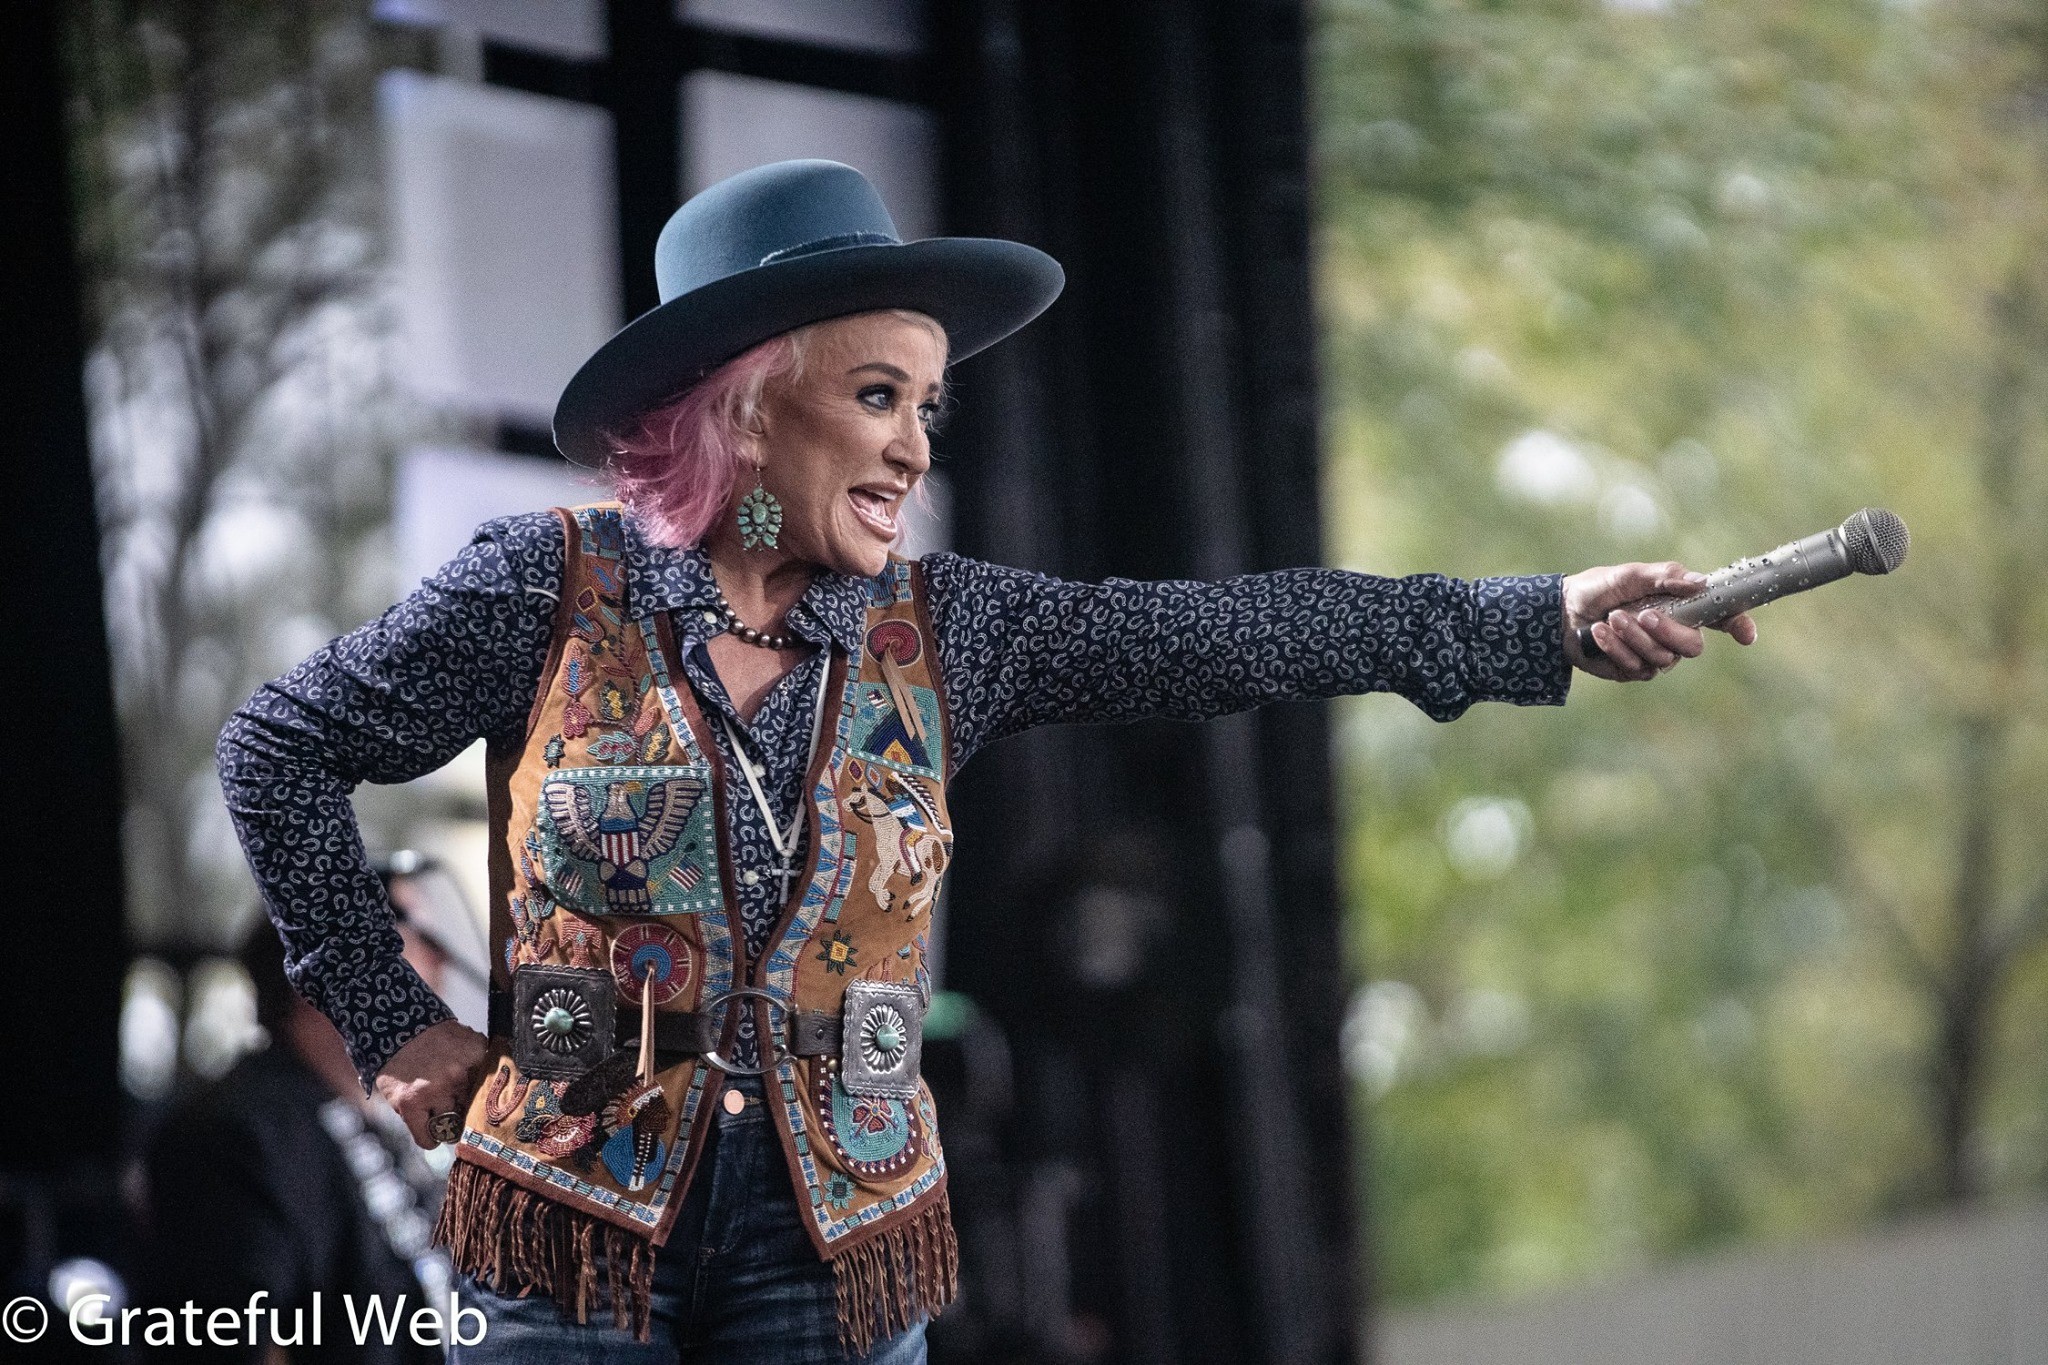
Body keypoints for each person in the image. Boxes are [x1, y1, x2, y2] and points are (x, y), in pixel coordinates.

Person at [216, 159, 1754, 1364]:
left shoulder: (952, 630)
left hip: (838, 1239)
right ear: (747, 407)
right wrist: (391, 1020)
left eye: (928, 405)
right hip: (570, 1222)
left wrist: (1534, 618)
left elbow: (1241, 632)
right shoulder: (543, 588)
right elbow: (278, 747)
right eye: (877, 395)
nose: (915, 447)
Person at [133, 855, 481, 1363]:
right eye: (415, 934)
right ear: (322, 968)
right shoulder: (234, 1132)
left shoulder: (386, 1121)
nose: (440, 960)